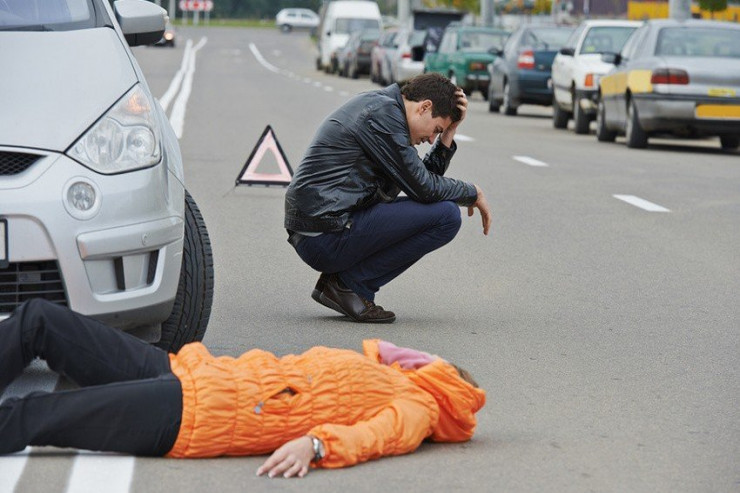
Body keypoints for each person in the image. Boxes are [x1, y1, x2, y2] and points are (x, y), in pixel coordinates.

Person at [0, 299, 486, 478]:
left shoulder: (418, 406)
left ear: (447, 378)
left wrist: (315, 445)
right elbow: (380, 347)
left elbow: (376, 438)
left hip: (193, 415)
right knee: (39, 320)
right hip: (190, 372)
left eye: (438, 362)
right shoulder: (394, 375)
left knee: (34, 413)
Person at [285, 73, 492, 324]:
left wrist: (449, 132)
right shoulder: (382, 117)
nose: (431, 139)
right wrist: (473, 192)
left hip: (326, 228)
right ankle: (349, 285)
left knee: (443, 211)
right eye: (436, 129)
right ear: (424, 107)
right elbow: (425, 188)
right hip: (323, 235)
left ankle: (344, 285)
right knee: (447, 216)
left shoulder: (387, 111)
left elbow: (423, 187)